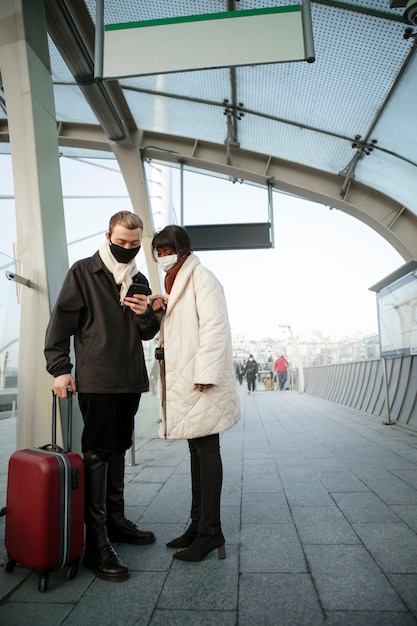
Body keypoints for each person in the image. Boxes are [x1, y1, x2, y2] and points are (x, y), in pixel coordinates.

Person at [44, 211, 160, 583]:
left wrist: (147, 315)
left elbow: (145, 333)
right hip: (95, 381)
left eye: (134, 243)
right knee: (96, 455)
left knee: (118, 450)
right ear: (108, 235)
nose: (127, 249)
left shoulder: (138, 279)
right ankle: (96, 542)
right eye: (122, 241)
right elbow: (61, 323)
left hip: (130, 380)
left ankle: (116, 521)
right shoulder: (83, 272)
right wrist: (60, 368)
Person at [149, 225, 240, 562]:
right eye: (158, 252)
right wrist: (162, 309)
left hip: (201, 380)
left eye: (166, 249)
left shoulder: (202, 278)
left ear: (182, 249)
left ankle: (210, 531)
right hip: (186, 380)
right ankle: (198, 525)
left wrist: (205, 373)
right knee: (196, 450)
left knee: (206, 450)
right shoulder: (175, 283)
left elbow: (215, 327)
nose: (162, 257)